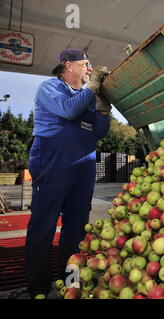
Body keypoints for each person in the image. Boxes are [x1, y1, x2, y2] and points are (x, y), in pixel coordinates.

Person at [25, 49, 112, 298]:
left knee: (76, 227)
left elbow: (99, 132)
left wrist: (103, 112)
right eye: (86, 64)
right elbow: (68, 111)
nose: (90, 69)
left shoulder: (86, 96)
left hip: (84, 162)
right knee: (45, 223)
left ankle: (69, 280)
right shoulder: (51, 88)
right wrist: (92, 91)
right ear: (68, 65)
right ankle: (38, 287)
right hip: (53, 158)